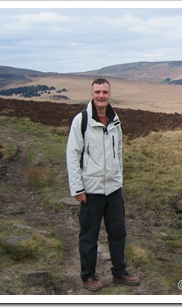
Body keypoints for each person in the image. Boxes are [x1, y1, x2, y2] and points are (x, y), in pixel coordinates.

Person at [66, 78, 140, 292]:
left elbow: (119, 152)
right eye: (97, 91)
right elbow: (73, 155)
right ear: (92, 94)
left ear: (110, 94)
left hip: (114, 189)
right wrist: (77, 189)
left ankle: (119, 272)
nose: (101, 95)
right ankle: (88, 275)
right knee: (89, 235)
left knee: (118, 232)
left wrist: (119, 180)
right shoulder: (81, 121)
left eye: (105, 92)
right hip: (91, 190)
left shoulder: (115, 120)